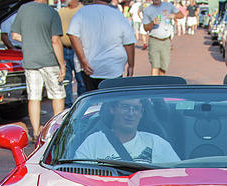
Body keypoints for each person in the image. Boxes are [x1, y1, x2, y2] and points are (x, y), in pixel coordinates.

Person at [12, 0, 67, 141]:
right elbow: (55, 41)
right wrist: (62, 64)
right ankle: (56, 131)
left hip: (31, 60)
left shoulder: (23, 9)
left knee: (34, 97)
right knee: (57, 95)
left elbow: (15, 35)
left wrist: (31, 41)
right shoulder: (51, 12)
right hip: (50, 60)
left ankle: (36, 132)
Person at [75, 98, 179, 163]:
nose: (131, 113)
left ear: (141, 113)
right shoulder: (93, 142)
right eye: (125, 107)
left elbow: (177, 175)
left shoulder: (155, 142)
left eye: (136, 108)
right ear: (113, 109)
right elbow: (77, 175)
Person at [68, 0, 136, 92]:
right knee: (111, 100)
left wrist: (83, 60)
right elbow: (129, 43)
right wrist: (131, 65)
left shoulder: (82, 12)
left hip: (89, 66)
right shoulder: (117, 15)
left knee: (91, 99)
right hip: (113, 67)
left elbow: (72, 35)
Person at [143, 0, 180, 76]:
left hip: (166, 41)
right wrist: (153, 23)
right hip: (154, 40)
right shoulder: (148, 10)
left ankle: (161, 84)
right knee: (155, 65)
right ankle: (154, 85)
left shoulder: (168, 5)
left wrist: (174, 16)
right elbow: (145, 28)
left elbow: (182, 14)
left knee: (164, 67)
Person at [57, 0, 84, 107]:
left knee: (81, 79)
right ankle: (68, 107)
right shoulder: (61, 12)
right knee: (66, 80)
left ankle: (81, 105)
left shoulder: (82, 10)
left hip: (78, 49)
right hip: (63, 48)